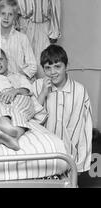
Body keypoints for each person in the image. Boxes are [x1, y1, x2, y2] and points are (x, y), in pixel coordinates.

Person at [32, 45, 92, 173]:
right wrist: (43, 93)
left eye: (57, 66)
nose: (53, 72)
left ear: (67, 66)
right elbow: (30, 120)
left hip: (69, 157)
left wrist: (80, 164)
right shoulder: (37, 86)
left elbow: (85, 129)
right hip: (42, 154)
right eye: (47, 68)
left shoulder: (79, 91)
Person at [0, 46, 47, 151]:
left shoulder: (18, 76)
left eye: (1, 59)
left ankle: (11, 132)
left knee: (20, 108)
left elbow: (28, 90)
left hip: (20, 98)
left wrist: (15, 91)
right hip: (2, 102)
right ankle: (8, 129)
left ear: (7, 61)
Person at [0, 0, 37, 80]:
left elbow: (33, 66)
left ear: (15, 17)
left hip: (20, 80)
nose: (6, 18)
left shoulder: (22, 38)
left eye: (10, 14)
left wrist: (20, 76)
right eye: (3, 14)